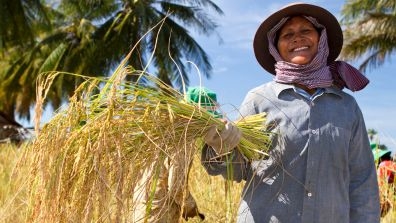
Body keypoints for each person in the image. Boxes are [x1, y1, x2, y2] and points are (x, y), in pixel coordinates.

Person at [201, 2, 380, 222]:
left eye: (306, 31)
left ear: (320, 39)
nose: (297, 38)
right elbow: (238, 170)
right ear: (276, 47)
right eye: (288, 34)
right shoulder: (260, 100)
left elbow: (362, 181)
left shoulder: (346, 107)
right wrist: (222, 147)